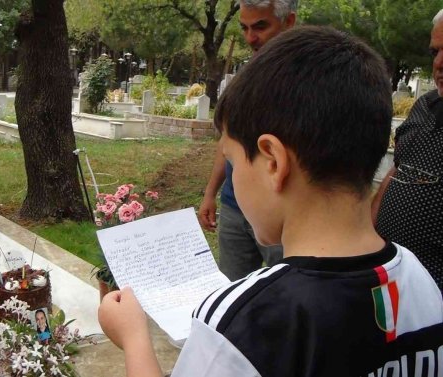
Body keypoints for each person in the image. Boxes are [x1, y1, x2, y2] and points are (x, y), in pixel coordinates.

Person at [98, 26, 443, 377]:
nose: (232, 175)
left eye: (232, 162)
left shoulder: (244, 321)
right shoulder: (420, 280)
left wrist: (134, 338)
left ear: (273, 162)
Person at [198, 0, 297, 281]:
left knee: (287, 291)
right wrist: (210, 193)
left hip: (282, 210)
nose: (250, 38)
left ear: (288, 22)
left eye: (260, 26)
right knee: (232, 292)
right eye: (244, 28)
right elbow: (228, 141)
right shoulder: (245, 77)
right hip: (234, 207)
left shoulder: (306, 79)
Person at [372, 9, 443, 291]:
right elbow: (399, 168)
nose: (439, 63)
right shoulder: (425, 106)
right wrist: (369, 227)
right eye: (435, 51)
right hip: (392, 277)